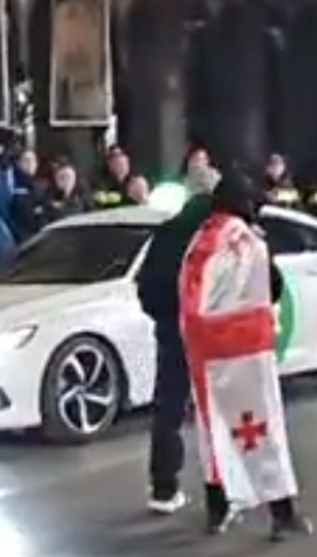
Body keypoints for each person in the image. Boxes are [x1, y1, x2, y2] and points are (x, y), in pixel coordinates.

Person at [179, 171, 312, 539]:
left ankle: (217, 509)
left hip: (205, 350)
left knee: (214, 429)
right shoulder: (249, 241)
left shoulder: (201, 238)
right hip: (247, 348)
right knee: (260, 429)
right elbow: (272, 287)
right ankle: (282, 515)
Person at [135, 165, 220, 514]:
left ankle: (164, 489)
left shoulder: (168, 232)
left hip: (174, 333)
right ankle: (223, 493)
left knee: (168, 409)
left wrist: (168, 319)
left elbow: (146, 287)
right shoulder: (220, 234)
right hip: (216, 334)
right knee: (219, 412)